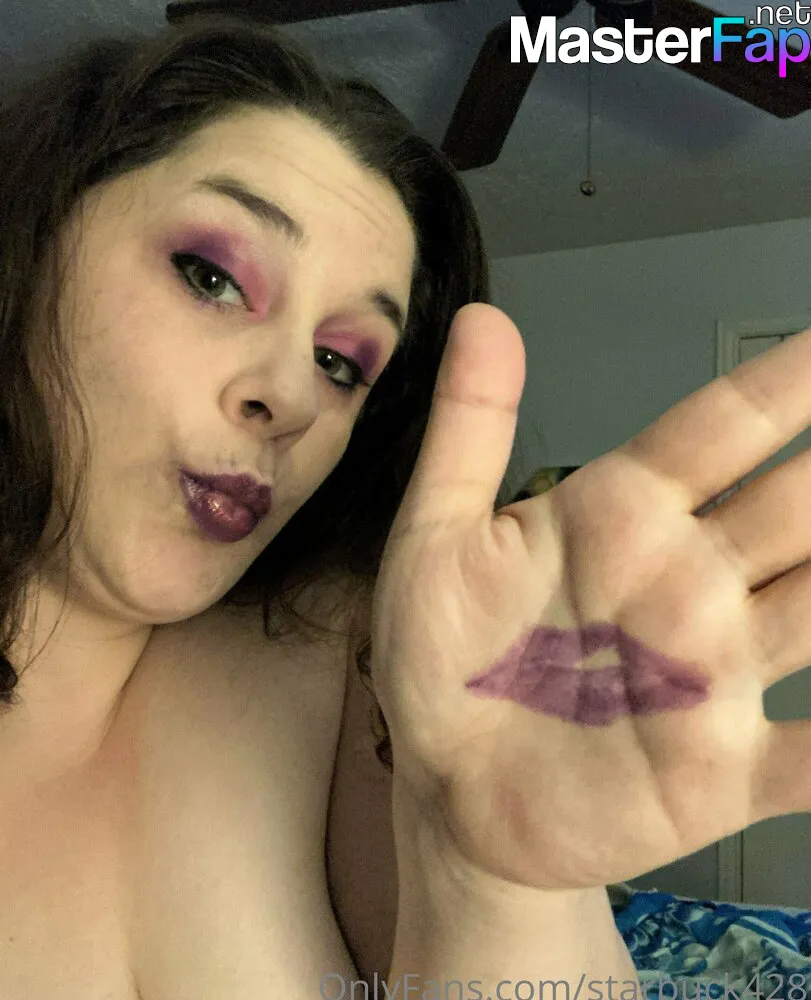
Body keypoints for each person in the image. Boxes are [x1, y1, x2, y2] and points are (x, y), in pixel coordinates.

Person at [2, 12, 810, 1000]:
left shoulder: (353, 658)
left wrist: (503, 894)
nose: (292, 399)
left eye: (340, 363)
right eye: (213, 278)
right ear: (30, 247)